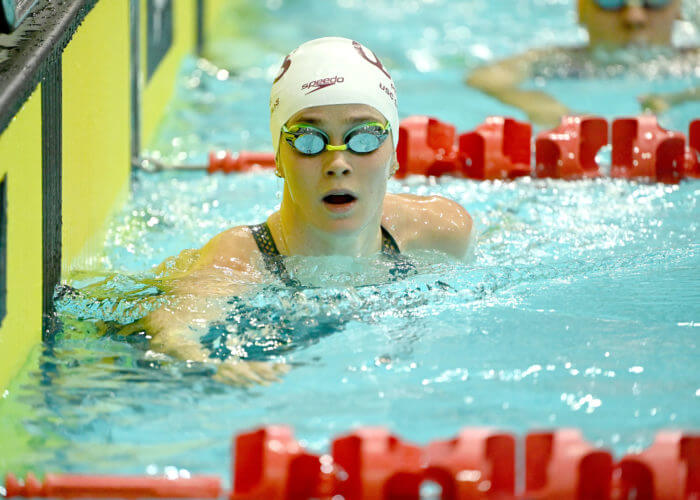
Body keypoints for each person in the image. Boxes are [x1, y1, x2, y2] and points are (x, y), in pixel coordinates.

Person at [143, 37, 473, 386]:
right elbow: (170, 331)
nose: (338, 163)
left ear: (393, 154)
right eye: (308, 139)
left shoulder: (441, 231)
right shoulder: (238, 260)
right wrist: (210, 367)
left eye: (364, 137)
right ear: (278, 159)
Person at [466, 0, 699, 127]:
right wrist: (535, 102)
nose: (634, 18)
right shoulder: (561, 62)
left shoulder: (692, 62)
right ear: (581, 10)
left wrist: (680, 98)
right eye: (610, 2)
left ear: (679, 9)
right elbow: (484, 78)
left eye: (654, 1)